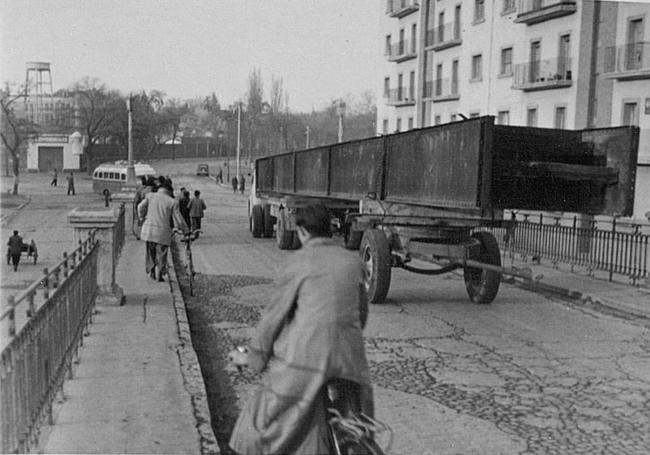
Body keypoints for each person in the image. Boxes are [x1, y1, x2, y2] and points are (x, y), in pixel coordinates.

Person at [228, 205, 373, 455]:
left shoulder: (295, 263)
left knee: (259, 423)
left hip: (306, 362)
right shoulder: (353, 261)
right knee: (358, 425)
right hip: (350, 362)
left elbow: (273, 318)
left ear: (302, 231)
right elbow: (361, 314)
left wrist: (254, 358)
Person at [137, 176, 188, 282]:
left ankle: (152, 271)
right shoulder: (172, 201)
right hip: (163, 232)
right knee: (162, 253)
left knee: (150, 251)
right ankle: (160, 273)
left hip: (149, 230)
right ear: (168, 190)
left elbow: (140, 207)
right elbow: (178, 218)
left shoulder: (150, 196)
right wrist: (185, 230)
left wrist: (142, 217)